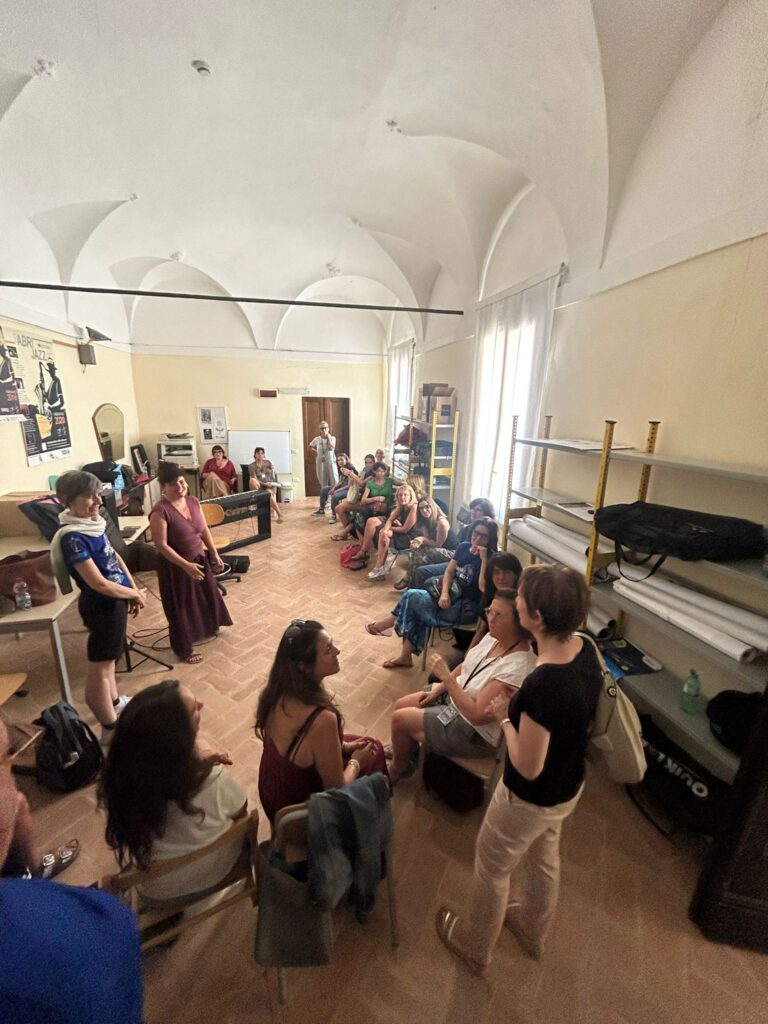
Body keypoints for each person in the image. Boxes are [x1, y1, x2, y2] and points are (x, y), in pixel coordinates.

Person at [435, 565, 603, 973]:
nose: (516, 597)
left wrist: (506, 717)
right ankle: (532, 928)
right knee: (545, 857)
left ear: (537, 617)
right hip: (567, 785)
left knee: (492, 869)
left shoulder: (546, 682)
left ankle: (475, 948)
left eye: (521, 597)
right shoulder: (585, 647)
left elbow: (528, 766)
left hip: (529, 796)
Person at [0, 720, 144, 1024]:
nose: (14, 783)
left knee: (19, 807)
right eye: (6, 760)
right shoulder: (96, 928)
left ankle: (31, 874)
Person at [100, 680, 250, 904]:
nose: (202, 705)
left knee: (109, 882)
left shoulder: (124, 787)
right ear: (178, 736)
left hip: (158, 893)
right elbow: (241, 812)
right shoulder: (213, 780)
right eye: (194, 709)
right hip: (222, 871)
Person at [387, 590, 534, 783]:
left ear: (519, 622)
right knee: (401, 705)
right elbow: (467, 665)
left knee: (399, 720)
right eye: (490, 611)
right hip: (457, 698)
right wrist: (440, 688)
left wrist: (446, 679)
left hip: (473, 730)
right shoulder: (494, 638)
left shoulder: (517, 668)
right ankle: (408, 754)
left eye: (498, 614)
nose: (490, 618)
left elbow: (476, 715)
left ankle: (398, 769)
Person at [256, 619, 389, 824]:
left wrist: (345, 747)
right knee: (376, 750)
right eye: (328, 650)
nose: (337, 651)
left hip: (272, 789)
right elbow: (336, 790)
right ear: (304, 666)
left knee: (360, 744)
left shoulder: (277, 690)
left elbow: (307, 745)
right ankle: (367, 825)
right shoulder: (322, 719)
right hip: (298, 808)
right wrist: (356, 762)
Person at [50, 471, 146, 743]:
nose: (98, 501)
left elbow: (113, 557)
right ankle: (109, 728)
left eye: (98, 495)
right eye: (90, 496)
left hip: (116, 600)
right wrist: (133, 594)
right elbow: (98, 583)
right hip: (102, 606)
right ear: (68, 499)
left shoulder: (92, 524)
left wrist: (131, 589)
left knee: (109, 663)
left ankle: (114, 703)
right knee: (100, 670)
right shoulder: (72, 537)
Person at [366, 517, 499, 668]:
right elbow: (449, 572)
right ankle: (404, 654)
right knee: (414, 602)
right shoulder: (464, 547)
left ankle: (391, 625)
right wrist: (444, 593)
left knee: (413, 601)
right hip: (449, 596)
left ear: (490, 539)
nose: (478, 538)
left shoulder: (492, 558)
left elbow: (483, 588)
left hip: (466, 607)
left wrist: (484, 560)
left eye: (484, 536)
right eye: (476, 533)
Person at [149, 462, 233, 664]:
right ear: (163, 488)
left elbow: (203, 530)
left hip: (198, 558)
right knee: (181, 607)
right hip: (175, 566)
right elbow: (161, 545)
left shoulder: (193, 501)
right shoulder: (160, 511)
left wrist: (214, 554)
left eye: (181, 482)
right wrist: (186, 566)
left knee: (206, 595)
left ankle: (208, 628)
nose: (180, 487)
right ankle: (184, 649)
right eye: (173, 484)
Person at [408, 496, 495, 591]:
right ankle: (410, 593)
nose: (473, 512)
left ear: (487, 514)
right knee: (420, 571)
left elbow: (483, 582)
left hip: (463, 568)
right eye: (473, 509)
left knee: (429, 581)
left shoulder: (491, 535)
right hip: (456, 562)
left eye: (478, 510)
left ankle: (417, 593)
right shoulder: (467, 529)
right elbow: (460, 551)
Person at [393, 496, 455, 590]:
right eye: (421, 508)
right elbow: (428, 539)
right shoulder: (425, 521)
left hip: (451, 552)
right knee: (417, 550)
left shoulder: (442, 523)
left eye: (427, 506)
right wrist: (416, 542)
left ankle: (408, 578)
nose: (424, 510)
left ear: (432, 506)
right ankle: (412, 580)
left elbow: (438, 544)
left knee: (423, 553)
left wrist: (421, 539)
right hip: (438, 549)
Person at [346, 461, 394, 568]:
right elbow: (363, 500)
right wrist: (376, 498)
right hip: (373, 508)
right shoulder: (370, 483)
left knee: (360, 516)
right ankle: (364, 548)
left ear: (385, 472)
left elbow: (405, 484)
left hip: (386, 510)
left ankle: (364, 550)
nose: (380, 473)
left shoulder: (390, 481)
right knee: (358, 516)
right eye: (378, 471)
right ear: (374, 471)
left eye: (382, 471)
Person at [367, 483, 418, 581]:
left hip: (412, 537)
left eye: (405, 495)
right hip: (403, 532)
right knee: (383, 533)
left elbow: (405, 529)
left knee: (386, 537)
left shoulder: (413, 507)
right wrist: (385, 531)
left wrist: (388, 529)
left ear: (411, 496)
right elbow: (390, 519)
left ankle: (379, 568)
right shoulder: (402, 505)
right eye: (400, 495)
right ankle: (380, 567)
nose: (402, 497)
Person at [332, 454, 375, 539]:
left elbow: (362, 483)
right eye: (366, 462)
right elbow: (358, 481)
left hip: (367, 501)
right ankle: (349, 533)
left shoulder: (374, 474)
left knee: (339, 508)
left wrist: (351, 473)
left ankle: (348, 533)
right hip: (359, 497)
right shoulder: (364, 470)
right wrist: (352, 478)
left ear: (374, 463)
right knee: (338, 508)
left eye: (370, 463)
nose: (367, 465)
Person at [312, 453, 355, 517]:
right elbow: (340, 482)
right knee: (324, 489)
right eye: (338, 460)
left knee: (335, 496)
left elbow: (348, 486)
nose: (340, 462)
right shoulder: (342, 469)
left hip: (349, 489)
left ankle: (334, 514)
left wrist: (336, 491)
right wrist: (333, 488)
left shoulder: (350, 470)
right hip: (342, 487)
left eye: (342, 460)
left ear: (346, 460)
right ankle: (321, 510)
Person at [248, 446, 283, 522]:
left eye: (262, 453)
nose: (260, 455)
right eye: (258, 453)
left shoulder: (268, 462)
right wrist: (264, 484)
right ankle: (256, 500)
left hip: (269, 485)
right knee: (252, 480)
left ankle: (280, 514)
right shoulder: (251, 466)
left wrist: (269, 484)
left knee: (268, 493)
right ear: (255, 455)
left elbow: (271, 475)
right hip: (259, 485)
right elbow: (255, 479)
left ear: (264, 455)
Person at [309, 421, 338, 490]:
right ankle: (325, 495)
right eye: (322, 428)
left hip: (330, 461)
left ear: (328, 429)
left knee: (334, 478)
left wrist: (328, 437)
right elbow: (309, 447)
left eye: (325, 428)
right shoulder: (317, 439)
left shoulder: (332, 438)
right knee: (323, 479)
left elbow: (331, 448)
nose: (324, 430)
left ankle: (334, 494)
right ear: (319, 430)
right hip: (321, 461)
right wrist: (317, 452)